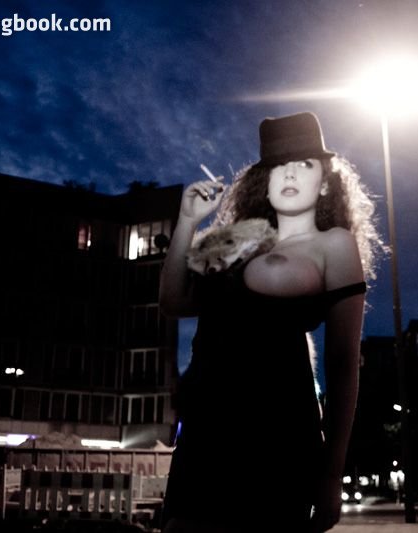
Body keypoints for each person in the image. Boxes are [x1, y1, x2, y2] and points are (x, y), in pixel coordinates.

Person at [159, 111, 381, 532]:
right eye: (279, 165)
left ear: (325, 182)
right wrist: (187, 222)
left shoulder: (333, 244)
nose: (290, 172)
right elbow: (173, 301)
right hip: (205, 435)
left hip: (278, 439)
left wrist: (331, 474)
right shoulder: (234, 240)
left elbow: (342, 364)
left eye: (305, 164)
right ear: (264, 180)